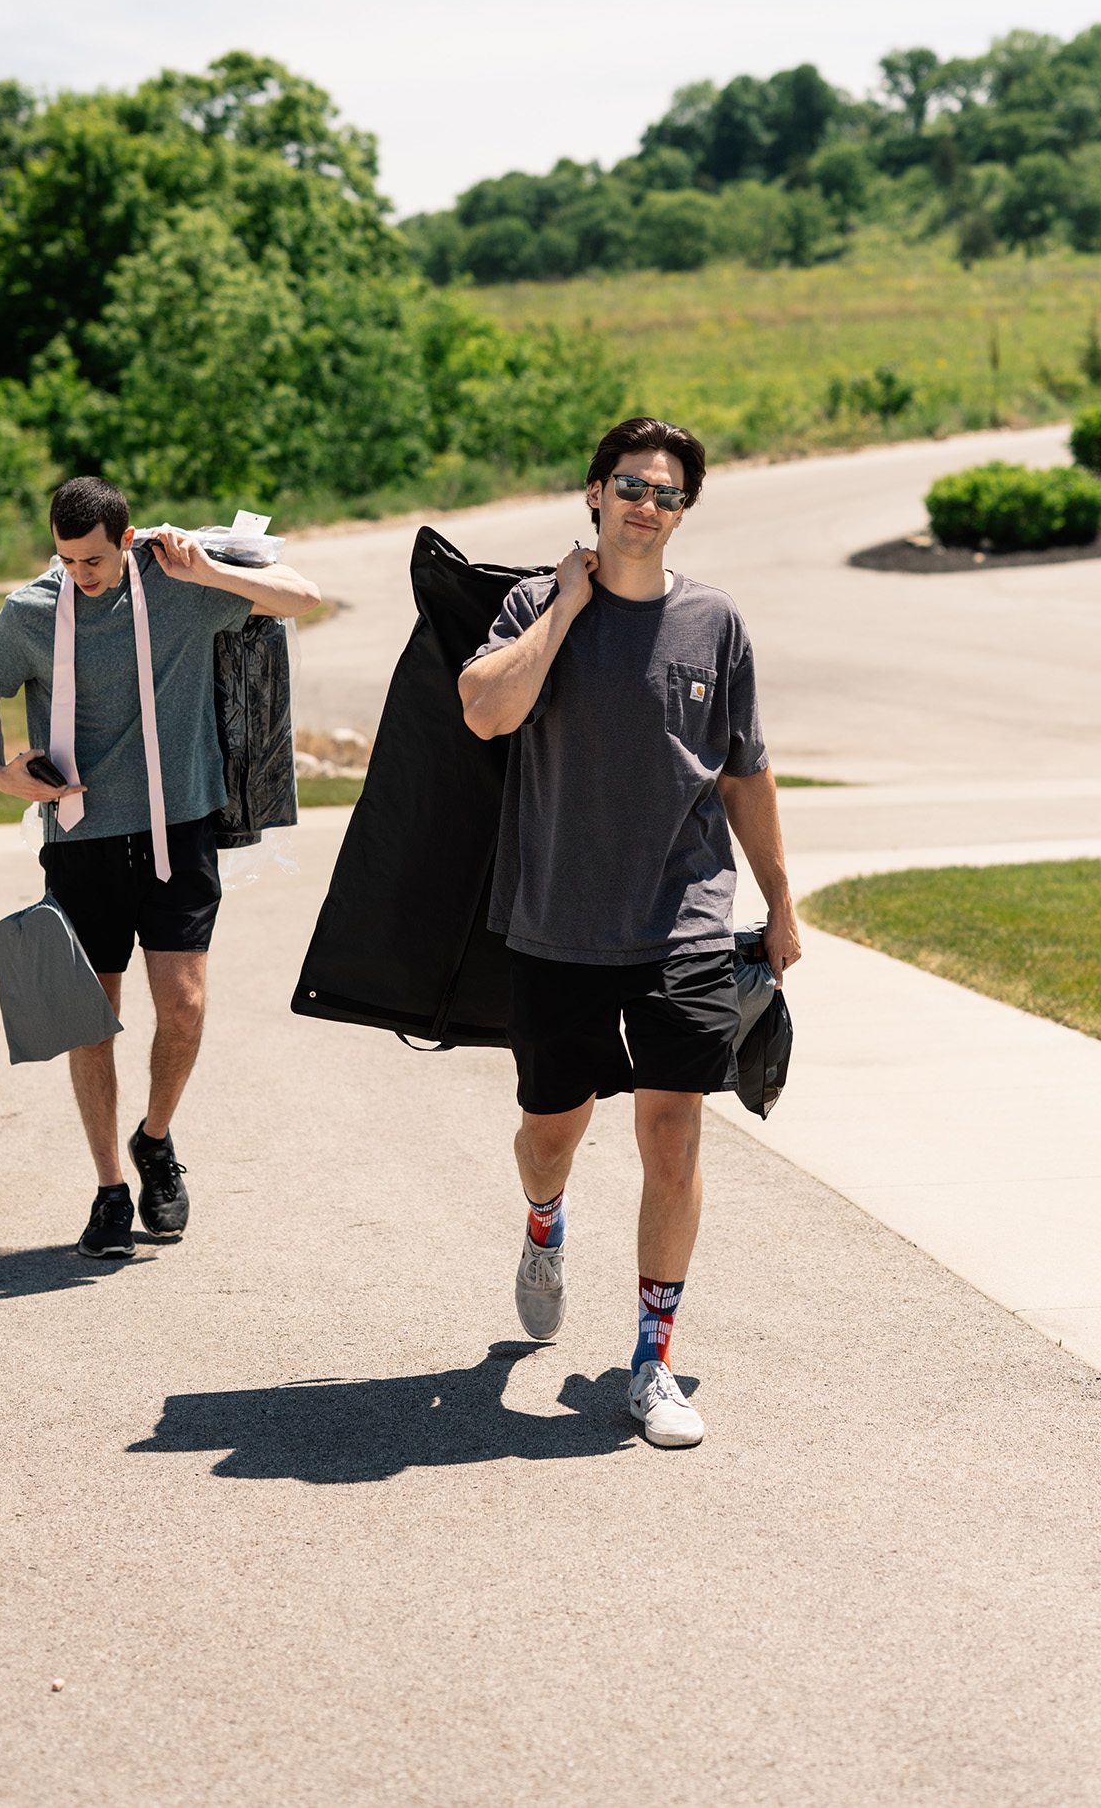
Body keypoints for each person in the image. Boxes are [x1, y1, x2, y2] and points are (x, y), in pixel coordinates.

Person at [458, 415, 801, 1449]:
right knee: (551, 1131)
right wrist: (564, 606)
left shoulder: (714, 622)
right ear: (593, 493)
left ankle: (650, 1361)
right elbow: (484, 712)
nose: (646, 506)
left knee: (672, 1131)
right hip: (558, 918)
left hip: (683, 918)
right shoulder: (532, 603)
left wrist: (779, 899)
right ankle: (542, 1219)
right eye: (630, 487)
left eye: (665, 494)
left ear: (681, 509)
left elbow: (742, 770)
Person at [0, 476, 322, 1259]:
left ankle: (154, 1141)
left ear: (126, 541)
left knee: (184, 1008)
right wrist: (0, 771)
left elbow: (303, 596)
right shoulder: (31, 611)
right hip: (81, 837)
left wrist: (210, 570)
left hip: (178, 826)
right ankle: (106, 1190)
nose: (78, 576)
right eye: (65, 559)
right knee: (91, 1022)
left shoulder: (182, 588)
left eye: (91, 560)